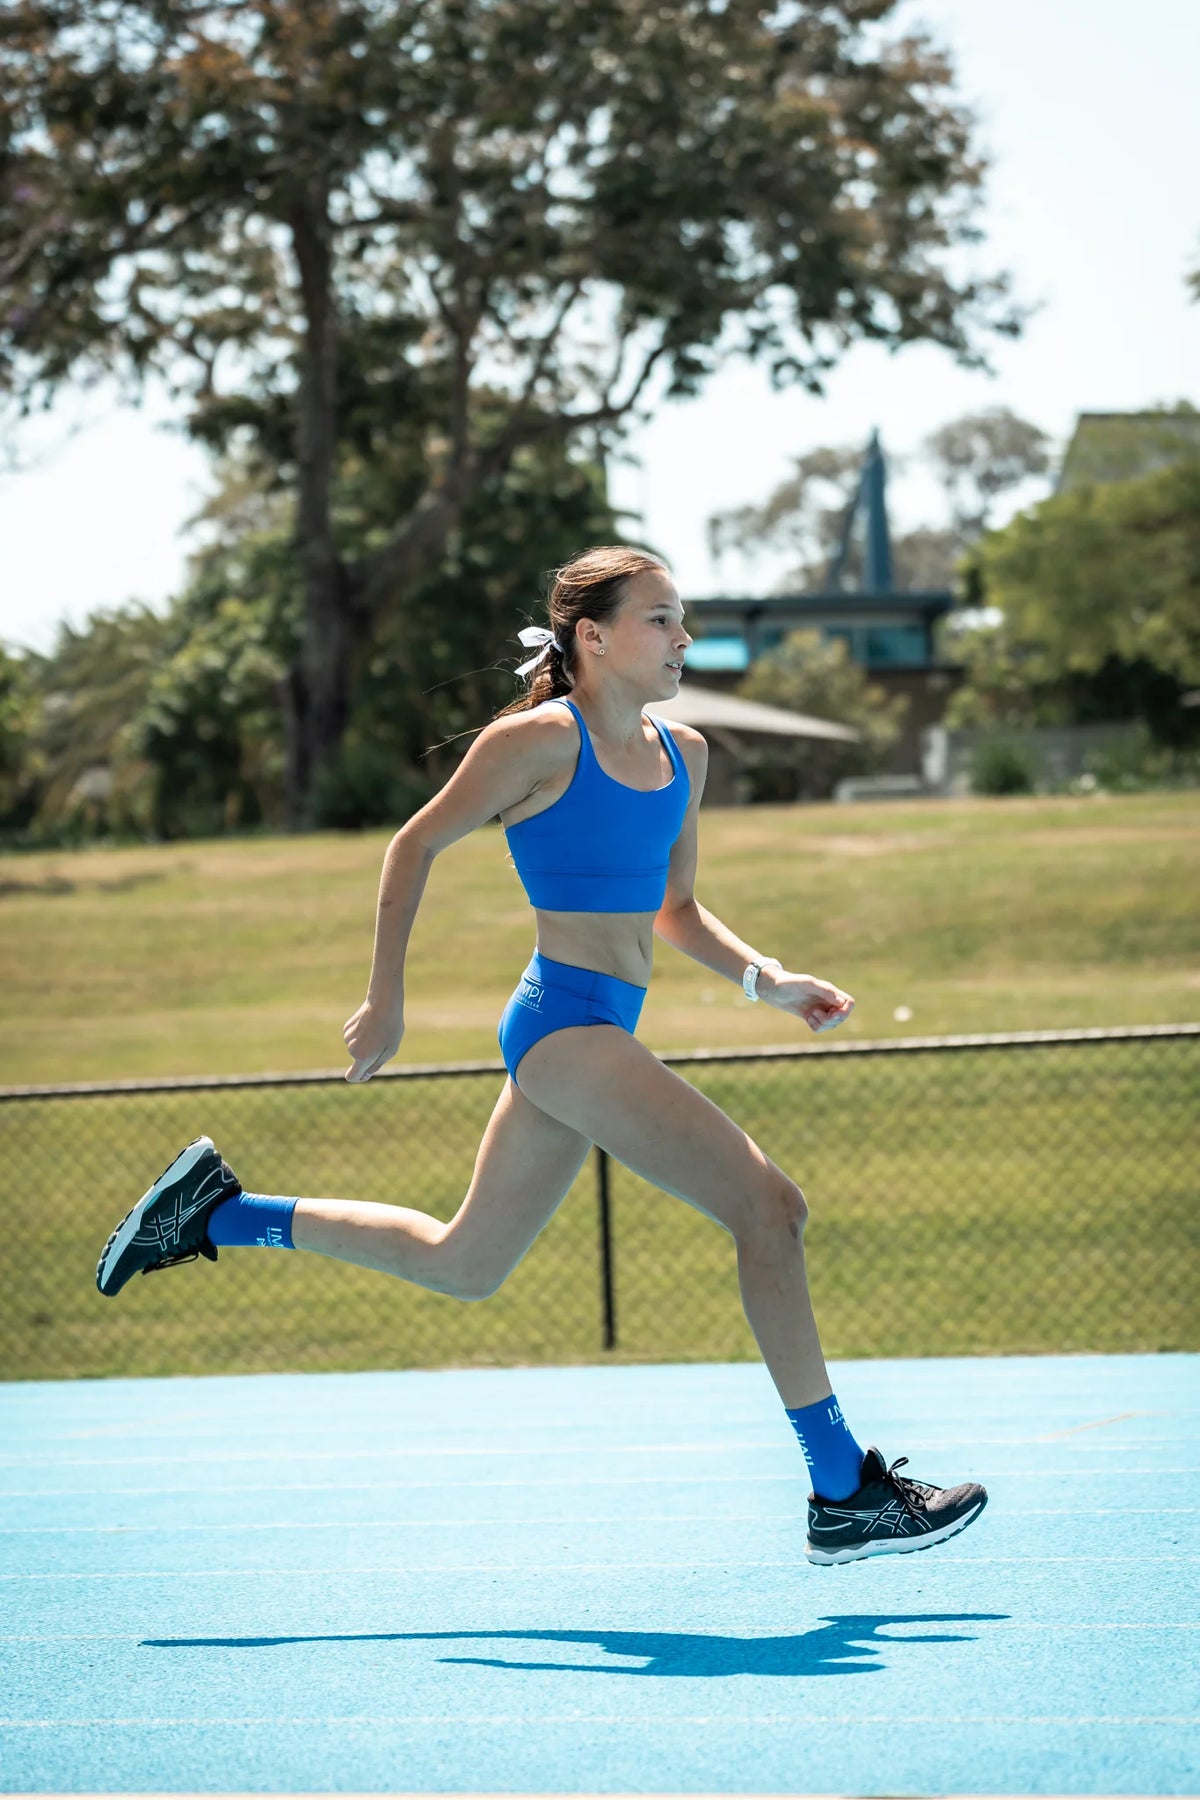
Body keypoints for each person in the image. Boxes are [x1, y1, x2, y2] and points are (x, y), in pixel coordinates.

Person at [95, 544, 986, 1566]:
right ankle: (842, 1489)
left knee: (464, 1264)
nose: (683, 638)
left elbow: (676, 909)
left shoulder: (685, 754)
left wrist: (765, 979)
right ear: (592, 636)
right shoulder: (537, 743)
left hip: (598, 1031)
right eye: (661, 619)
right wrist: (386, 1001)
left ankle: (215, 1213)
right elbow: (412, 845)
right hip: (563, 1028)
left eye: (682, 618)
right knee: (770, 1209)